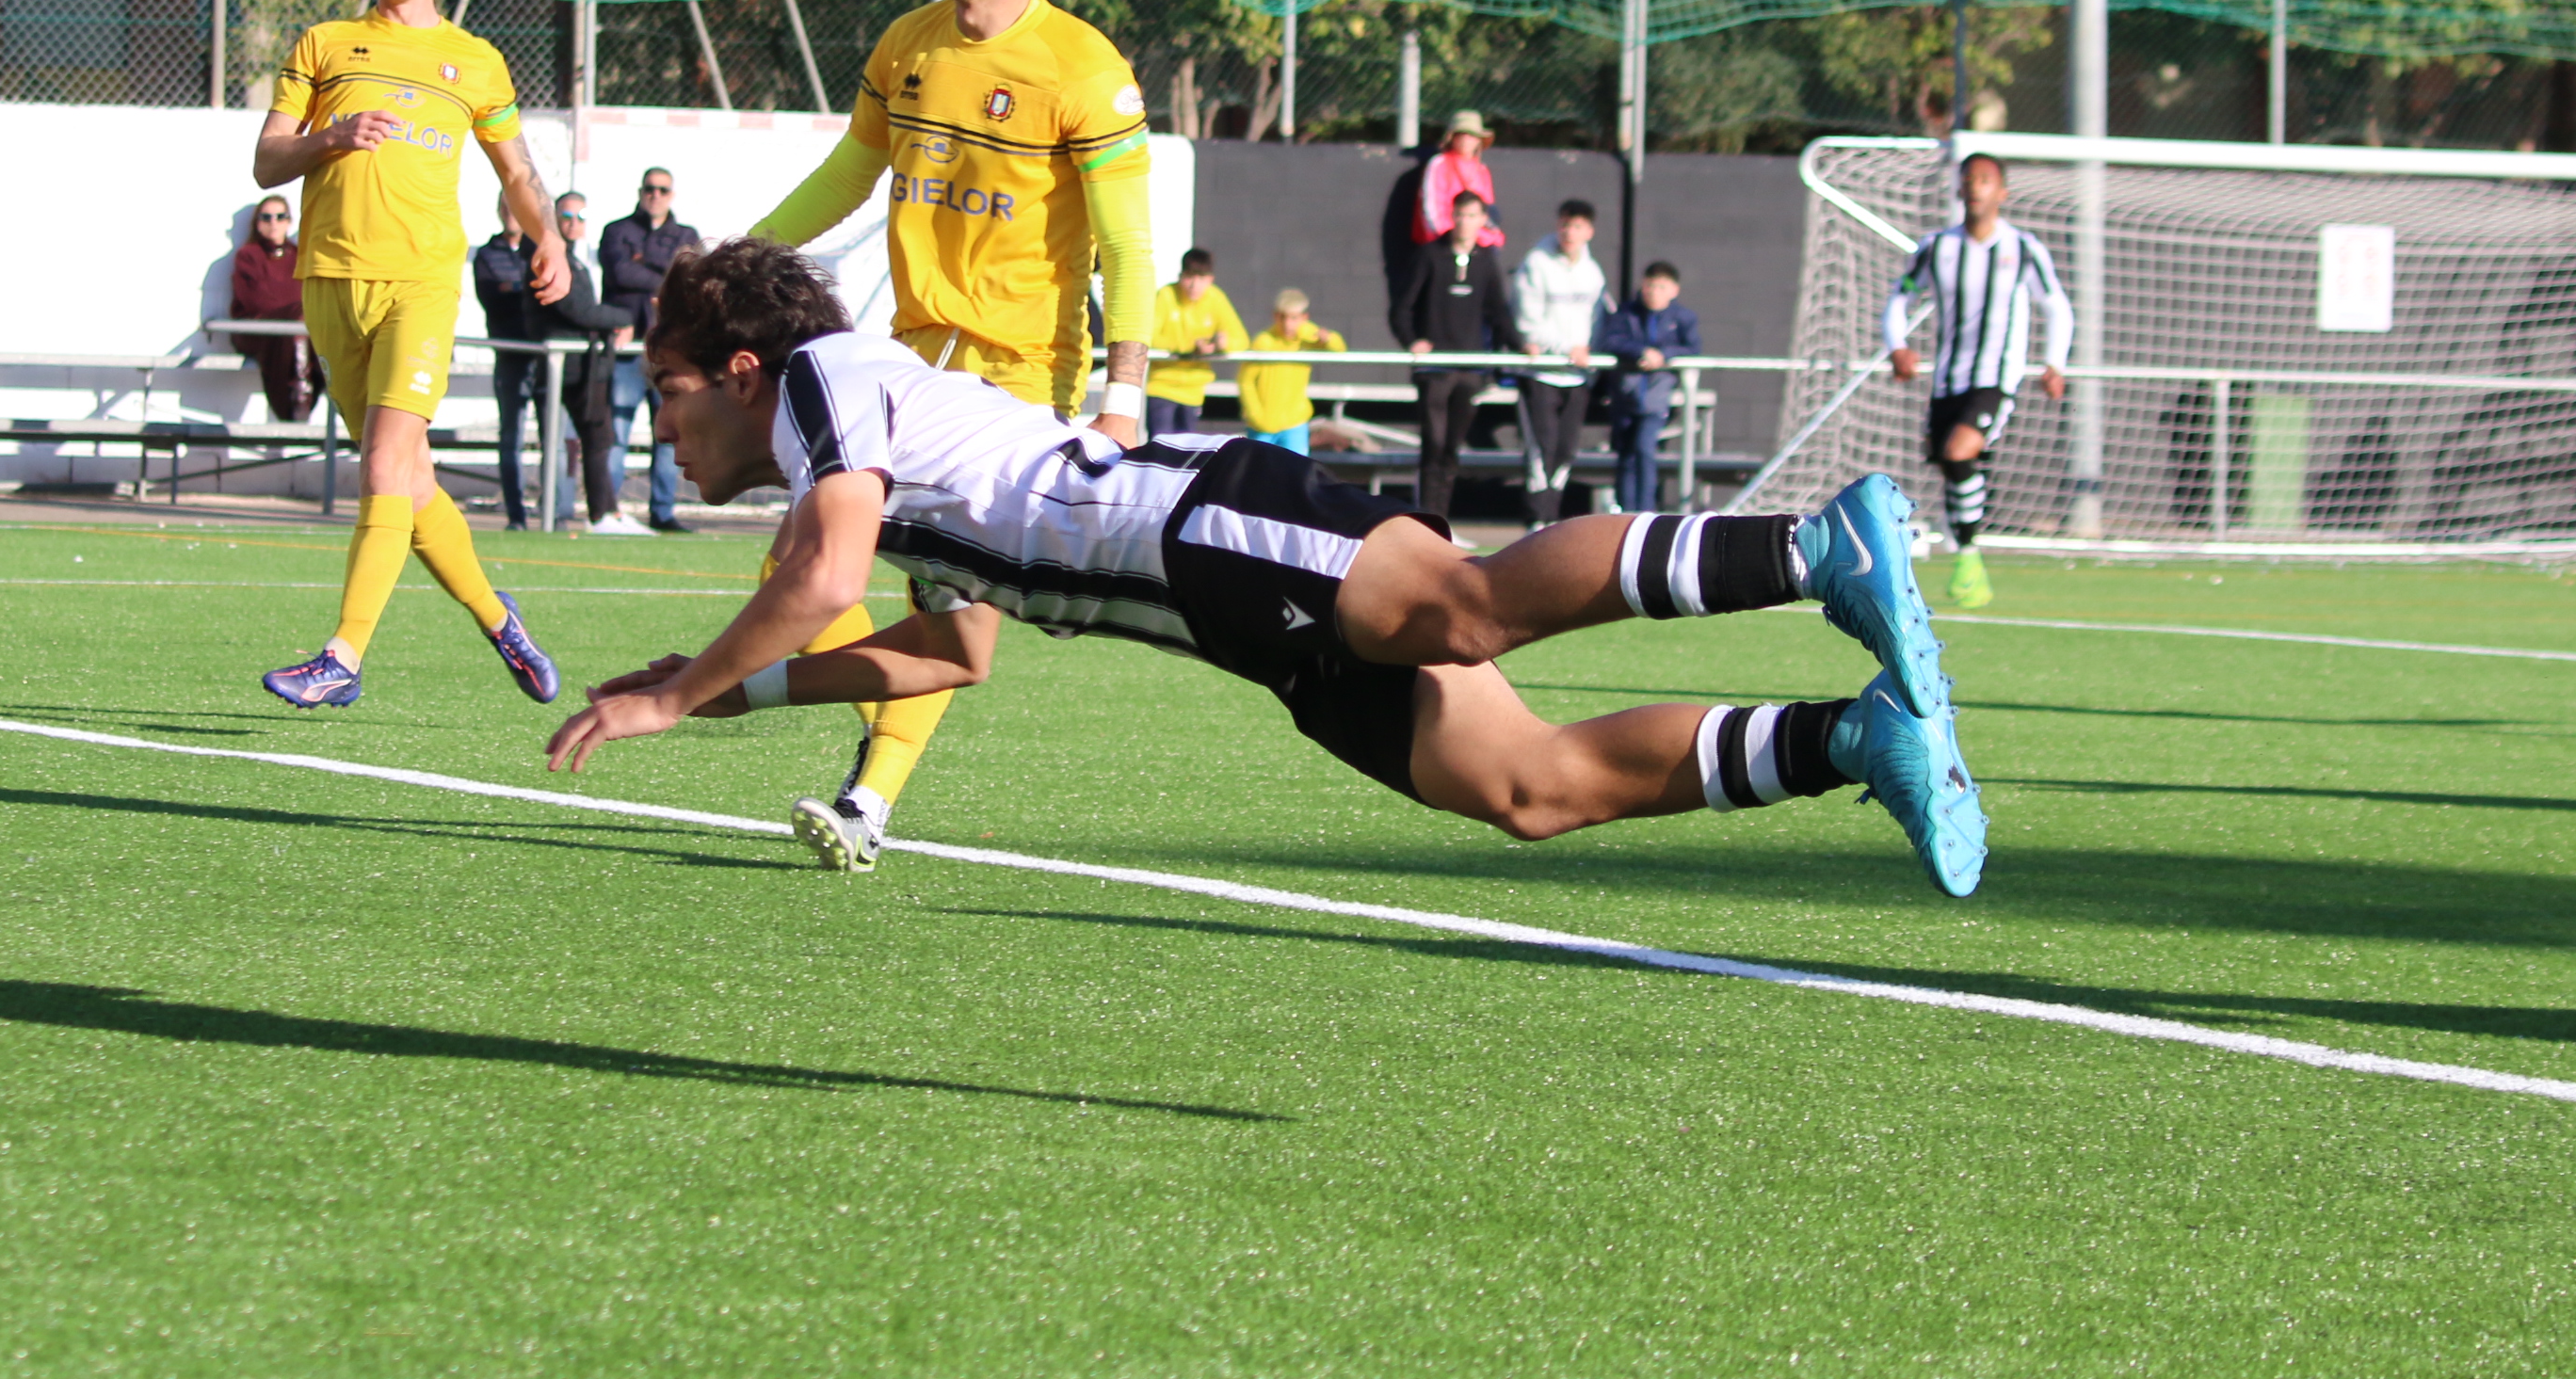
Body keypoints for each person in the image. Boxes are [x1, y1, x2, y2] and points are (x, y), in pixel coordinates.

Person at [546, 240, 1986, 900]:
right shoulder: (859, 452)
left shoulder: (819, 386)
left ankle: (1815, 546)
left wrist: (678, 701)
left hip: (1210, 528)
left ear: (740, 369)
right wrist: (725, 698)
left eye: (666, 388)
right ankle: (1857, 741)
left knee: (1469, 611)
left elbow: (815, 576)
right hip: (1237, 624)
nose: (658, 419)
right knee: (1527, 792)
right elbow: (948, 655)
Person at [747, 0, 1156, 872]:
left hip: (1019, 375)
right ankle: (869, 756)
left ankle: (867, 799)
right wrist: (743, 256)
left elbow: (1126, 244)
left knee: (939, 599)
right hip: (905, 357)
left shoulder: (1085, 70)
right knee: (809, 574)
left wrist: (1126, 394)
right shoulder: (909, 45)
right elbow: (849, 172)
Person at [247, 0, 572, 711]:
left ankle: (342, 656)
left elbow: (517, 171)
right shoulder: (325, 44)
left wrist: (550, 238)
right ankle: (501, 620)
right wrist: (332, 137)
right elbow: (266, 160)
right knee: (408, 483)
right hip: (329, 280)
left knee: (387, 464)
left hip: (421, 283)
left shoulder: (474, 60)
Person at [1888, 152, 2071, 612]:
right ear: (1958, 189)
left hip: (1996, 377)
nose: (1976, 187)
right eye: (1969, 180)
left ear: (2002, 192)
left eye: (1986, 180)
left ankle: (1968, 556)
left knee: (1959, 451)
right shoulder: (1936, 248)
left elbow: (2057, 307)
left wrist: (2055, 362)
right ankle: (1969, 561)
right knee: (1952, 466)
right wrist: (1898, 344)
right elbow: (1899, 301)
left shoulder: (2023, 248)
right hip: (1949, 379)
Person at [1391, 188, 1515, 520]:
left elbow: (1498, 313)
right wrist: (1412, 341)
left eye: (1472, 216)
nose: (1465, 222)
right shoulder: (1430, 255)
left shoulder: (1486, 261)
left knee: (1451, 449)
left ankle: (1440, 520)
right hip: (1435, 369)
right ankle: (1427, 521)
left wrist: (1521, 346)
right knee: (1433, 443)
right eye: (1459, 215)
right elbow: (1402, 308)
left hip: (1470, 369)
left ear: (1483, 221)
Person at [599, 168, 702, 532]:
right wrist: (665, 274)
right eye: (649, 189)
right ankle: (607, 512)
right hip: (628, 353)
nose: (655, 195)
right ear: (640, 191)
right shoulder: (617, 231)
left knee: (671, 434)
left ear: (671, 194)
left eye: (662, 190)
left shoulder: (686, 235)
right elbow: (619, 275)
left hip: (670, 353)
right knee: (617, 432)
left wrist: (645, 266)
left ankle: (663, 512)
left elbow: (692, 277)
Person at [1507, 198, 1607, 529]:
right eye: (1565, 224)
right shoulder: (1536, 263)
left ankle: (1552, 522)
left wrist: (1586, 354)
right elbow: (1528, 322)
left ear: (1589, 232)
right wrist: (1566, 348)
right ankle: (1537, 521)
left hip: (1577, 378)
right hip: (1540, 375)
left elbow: (1598, 323)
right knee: (1541, 450)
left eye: (1577, 226)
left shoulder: (1593, 273)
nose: (1570, 232)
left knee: (1565, 451)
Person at [545, 191, 636, 534]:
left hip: (581, 362)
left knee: (598, 435)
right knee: (577, 438)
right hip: (562, 364)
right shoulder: (550, 256)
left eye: (580, 216)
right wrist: (623, 317)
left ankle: (606, 512)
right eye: (566, 215)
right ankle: (594, 514)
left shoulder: (576, 259)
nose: (573, 223)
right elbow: (578, 310)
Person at [474, 196, 560, 531]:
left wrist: (521, 288)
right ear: (499, 211)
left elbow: (552, 294)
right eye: (507, 207)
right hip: (511, 354)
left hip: (546, 355)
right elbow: (495, 299)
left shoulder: (539, 251)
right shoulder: (487, 254)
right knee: (511, 435)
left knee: (552, 435)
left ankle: (553, 511)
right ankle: (517, 515)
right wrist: (528, 289)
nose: (512, 214)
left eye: (517, 207)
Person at [1593, 260, 1703, 517]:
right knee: (1625, 455)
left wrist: (1662, 355)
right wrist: (1640, 352)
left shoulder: (1682, 318)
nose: (1654, 292)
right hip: (1625, 396)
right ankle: (1625, 514)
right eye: (1650, 286)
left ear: (1673, 290)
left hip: (1656, 398)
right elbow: (1611, 340)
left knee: (1644, 448)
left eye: (1661, 287)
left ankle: (1646, 513)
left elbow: (1692, 349)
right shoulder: (1626, 314)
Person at [230, 198, 325, 424]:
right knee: (299, 320)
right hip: (258, 330)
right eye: (266, 217)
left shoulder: (299, 255)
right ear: (257, 223)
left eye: (280, 216)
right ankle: (298, 400)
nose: (274, 222)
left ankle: (301, 397)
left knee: (308, 324)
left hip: (296, 331)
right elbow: (256, 301)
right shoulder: (249, 256)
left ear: (289, 221)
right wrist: (292, 311)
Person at [1145, 248, 1246, 440]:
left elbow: (1241, 339)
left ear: (1210, 279)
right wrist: (1190, 346)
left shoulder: (1216, 298)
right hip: (1161, 387)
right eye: (1189, 277)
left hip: (1193, 391)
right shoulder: (1166, 295)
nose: (1194, 285)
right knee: (1159, 449)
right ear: (1180, 276)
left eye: (1201, 279)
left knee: (1186, 452)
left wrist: (1222, 344)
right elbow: (1149, 336)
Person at [1238, 289, 1344, 456]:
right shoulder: (1263, 341)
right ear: (1275, 316)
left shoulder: (1308, 337)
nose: (1288, 324)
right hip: (1262, 425)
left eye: (1294, 318)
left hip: (1294, 423)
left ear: (1304, 318)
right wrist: (1255, 414)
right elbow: (1246, 380)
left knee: (1296, 474)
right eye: (1283, 317)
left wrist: (1329, 339)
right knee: (1258, 476)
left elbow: (1339, 351)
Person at [1409, 109, 1503, 248]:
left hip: (1475, 242)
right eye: (1460, 135)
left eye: (1472, 135)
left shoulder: (1482, 170)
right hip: (1441, 243)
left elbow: (1487, 211)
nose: (1466, 140)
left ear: (1479, 141)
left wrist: (1492, 234)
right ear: (1451, 138)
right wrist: (1451, 240)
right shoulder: (1439, 164)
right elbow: (1432, 213)